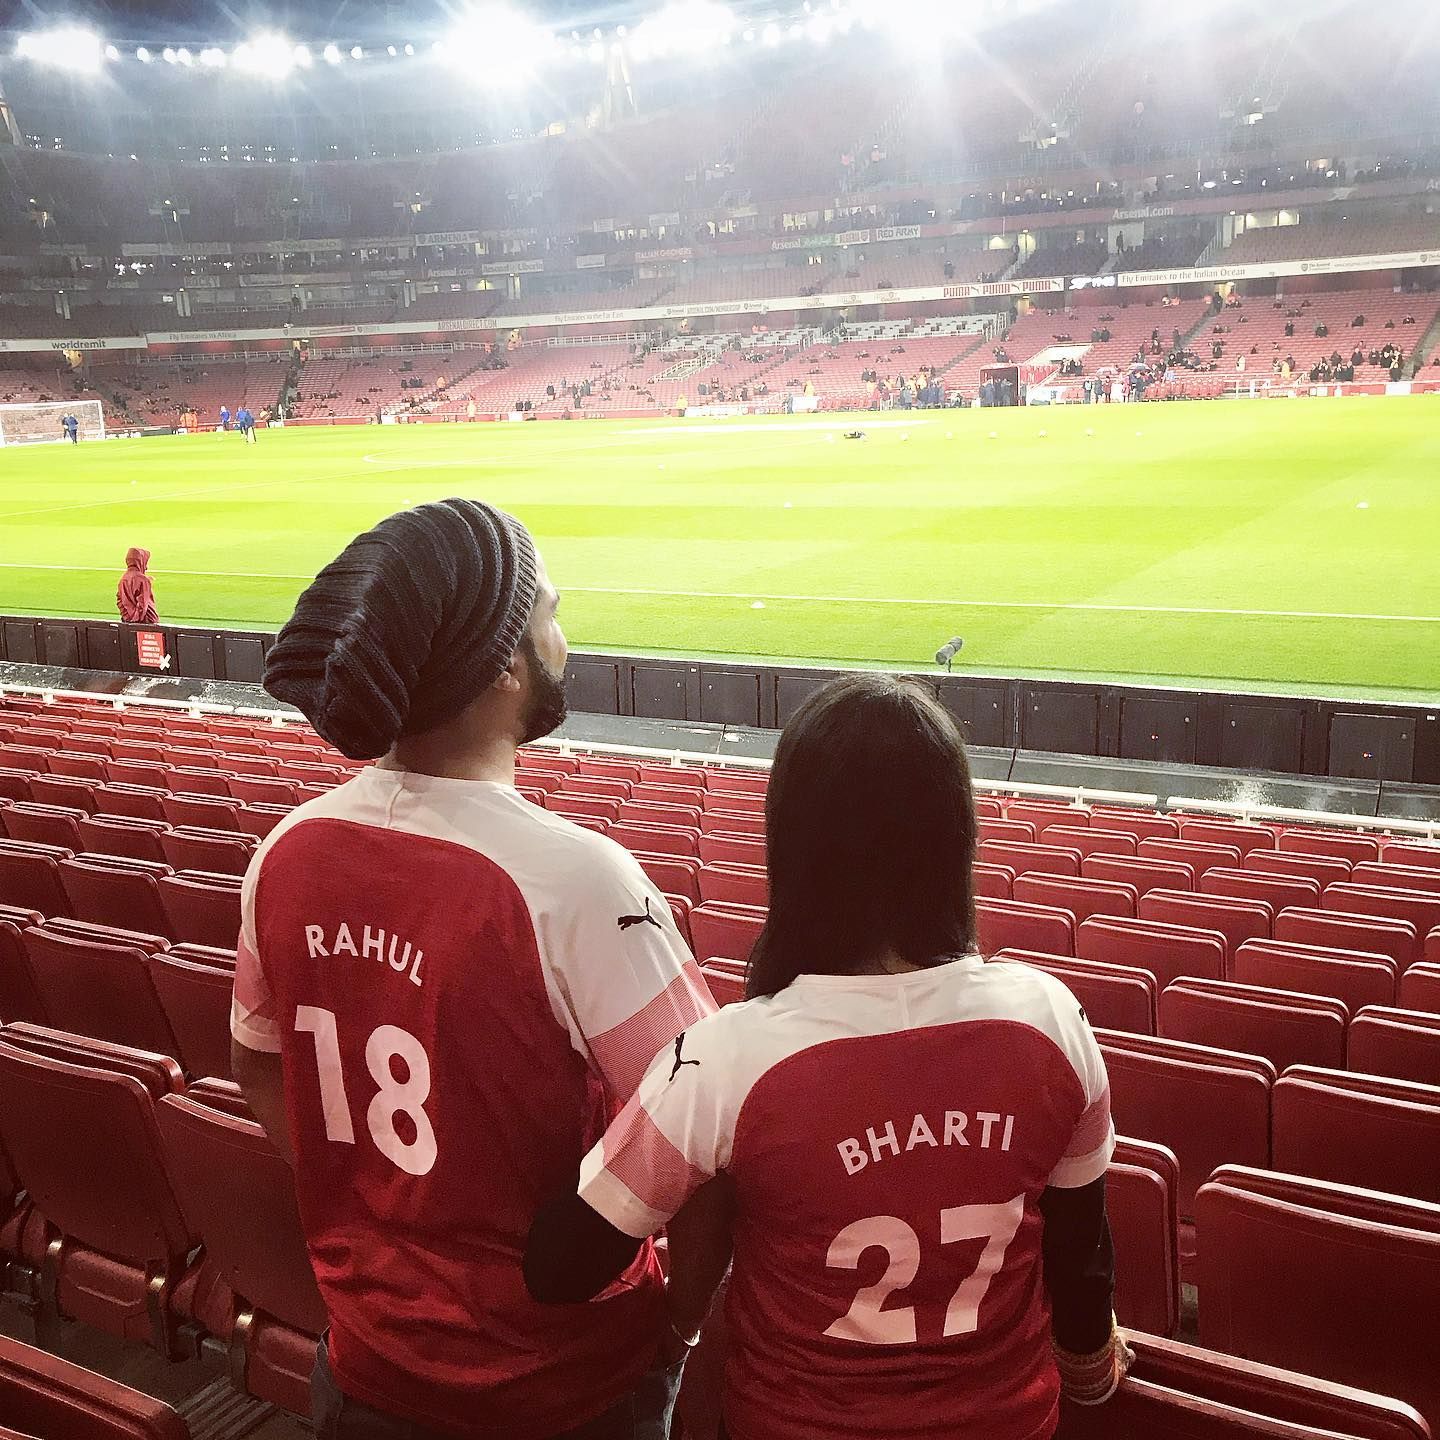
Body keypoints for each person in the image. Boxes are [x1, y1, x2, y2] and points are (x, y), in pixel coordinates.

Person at [526, 675, 1129, 1440]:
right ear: (956, 839)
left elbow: (560, 1266)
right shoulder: (1055, 1021)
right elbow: (1082, 1266)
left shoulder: (724, 1060)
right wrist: (1093, 1377)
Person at [232, 500, 714, 1440]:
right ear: (504, 665)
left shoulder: (284, 854)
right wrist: (682, 1325)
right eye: (551, 616)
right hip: (562, 1393)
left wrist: (373, 1200)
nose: (564, 639)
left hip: (366, 1372)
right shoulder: (578, 881)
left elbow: (254, 1062)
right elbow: (704, 1132)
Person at [116, 547, 158, 623]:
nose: (146, 568)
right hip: (146, 622)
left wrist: (128, 617)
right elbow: (143, 604)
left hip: (127, 620)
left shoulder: (123, 578)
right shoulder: (143, 580)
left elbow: (119, 600)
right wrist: (136, 621)